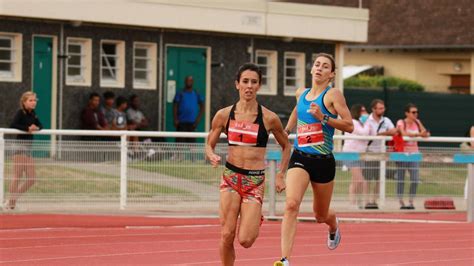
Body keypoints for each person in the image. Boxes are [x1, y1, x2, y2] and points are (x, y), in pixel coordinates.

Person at [205, 63, 291, 266]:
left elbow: (287, 146)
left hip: (254, 182)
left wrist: (280, 174)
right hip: (231, 178)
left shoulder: (269, 118)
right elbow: (209, 143)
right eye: (245, 81)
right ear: (237, 84)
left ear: (259, 86)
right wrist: (211, 154)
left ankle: (254, 218)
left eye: (254, 82)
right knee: (227, 234)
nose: (249, 86)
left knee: (245, 240)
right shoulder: (224, 115)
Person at [275, 53, 354, 266]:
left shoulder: (333, 95)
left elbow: (349, 125)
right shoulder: (302, 92)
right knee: (291, 204)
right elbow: (297, 109)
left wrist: (324, 118)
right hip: (301, 157)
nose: (319, 68)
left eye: (325, 66)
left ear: (332, 74)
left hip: (323, 161)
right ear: (311, 69)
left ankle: (333, 225)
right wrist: (287, 129)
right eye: (317, 64)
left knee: (320, 215)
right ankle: (284, 260)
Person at [5, 91, 42, 210]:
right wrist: (27, 128)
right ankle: (11, 203)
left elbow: (41, 125)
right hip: (19, 147)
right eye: (30, 100)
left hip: (28, 148)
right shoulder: (20, 113)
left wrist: (35, 128)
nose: (33, 102)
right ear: (24, 102)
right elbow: (13, 125)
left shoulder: (33, 114)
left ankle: (12, 200)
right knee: (17, 176)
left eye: (34, 100)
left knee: (31, 179)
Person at [363, 99, 399, 209]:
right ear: (373, 109)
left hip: (381, 153)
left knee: (380, 179)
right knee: (367, 178)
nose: (382, 110)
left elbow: (394, 131)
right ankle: (367, 201)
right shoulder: (366, 120)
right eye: (379, 108)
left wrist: (381, 133)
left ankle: (374, 201)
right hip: (369, 153)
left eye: (383, 108)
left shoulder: (386, 120)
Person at [395, 103, 430, 210]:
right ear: (407, 113)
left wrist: (422, 134)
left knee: (415, 179)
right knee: (401, 178)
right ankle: (401, 201)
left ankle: (411, 201)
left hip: (414, 154)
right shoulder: (401, 122)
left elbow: (426, 133)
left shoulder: (417, 122)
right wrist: (418, 135)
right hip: (402, 154)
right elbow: (404, 134)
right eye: (413, 112)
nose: (416, 114)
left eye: (417, 112)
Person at [342, 104, 372, 209]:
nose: (365, 113)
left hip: (360, 154)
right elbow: (363, 133)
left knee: (355, 181)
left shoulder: (363, 123)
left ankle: (353, 203)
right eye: (362, 111)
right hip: (350, 154)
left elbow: (370, 134)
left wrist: (367, 123)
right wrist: (368, 122)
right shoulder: (353, 122)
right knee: (360, 180)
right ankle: (366, 201)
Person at [173, 76, 204, 143]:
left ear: (192, 82)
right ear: (185, 82)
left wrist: (197, 121)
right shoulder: (180, 93)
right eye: (187, 80)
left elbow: (202, 107)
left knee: (191, 145)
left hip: (192, 124)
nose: (189, 82)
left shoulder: (196, 93)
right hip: (181, 123)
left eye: (190, 81)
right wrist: (175, 119)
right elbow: (175, 106)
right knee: (180, 145)